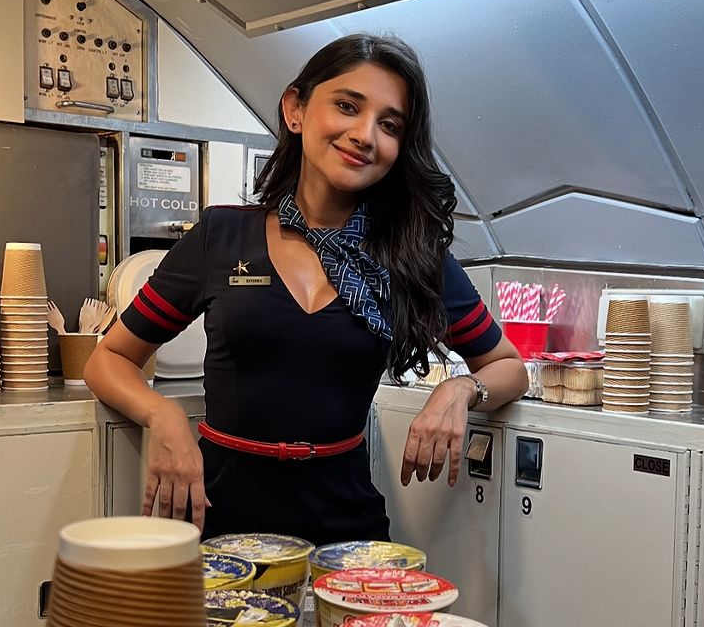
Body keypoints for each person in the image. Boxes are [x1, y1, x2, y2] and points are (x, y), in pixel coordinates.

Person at [84, 34, 527, 543]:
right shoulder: (221, 237)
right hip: (222, 523)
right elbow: (108, 359)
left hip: (347, 530)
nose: (365, 135)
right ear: (296, 109)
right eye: (346, 106)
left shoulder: (410, 257)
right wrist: (161, 415)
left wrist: (462, 389)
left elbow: (507, 367)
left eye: (389, 125)